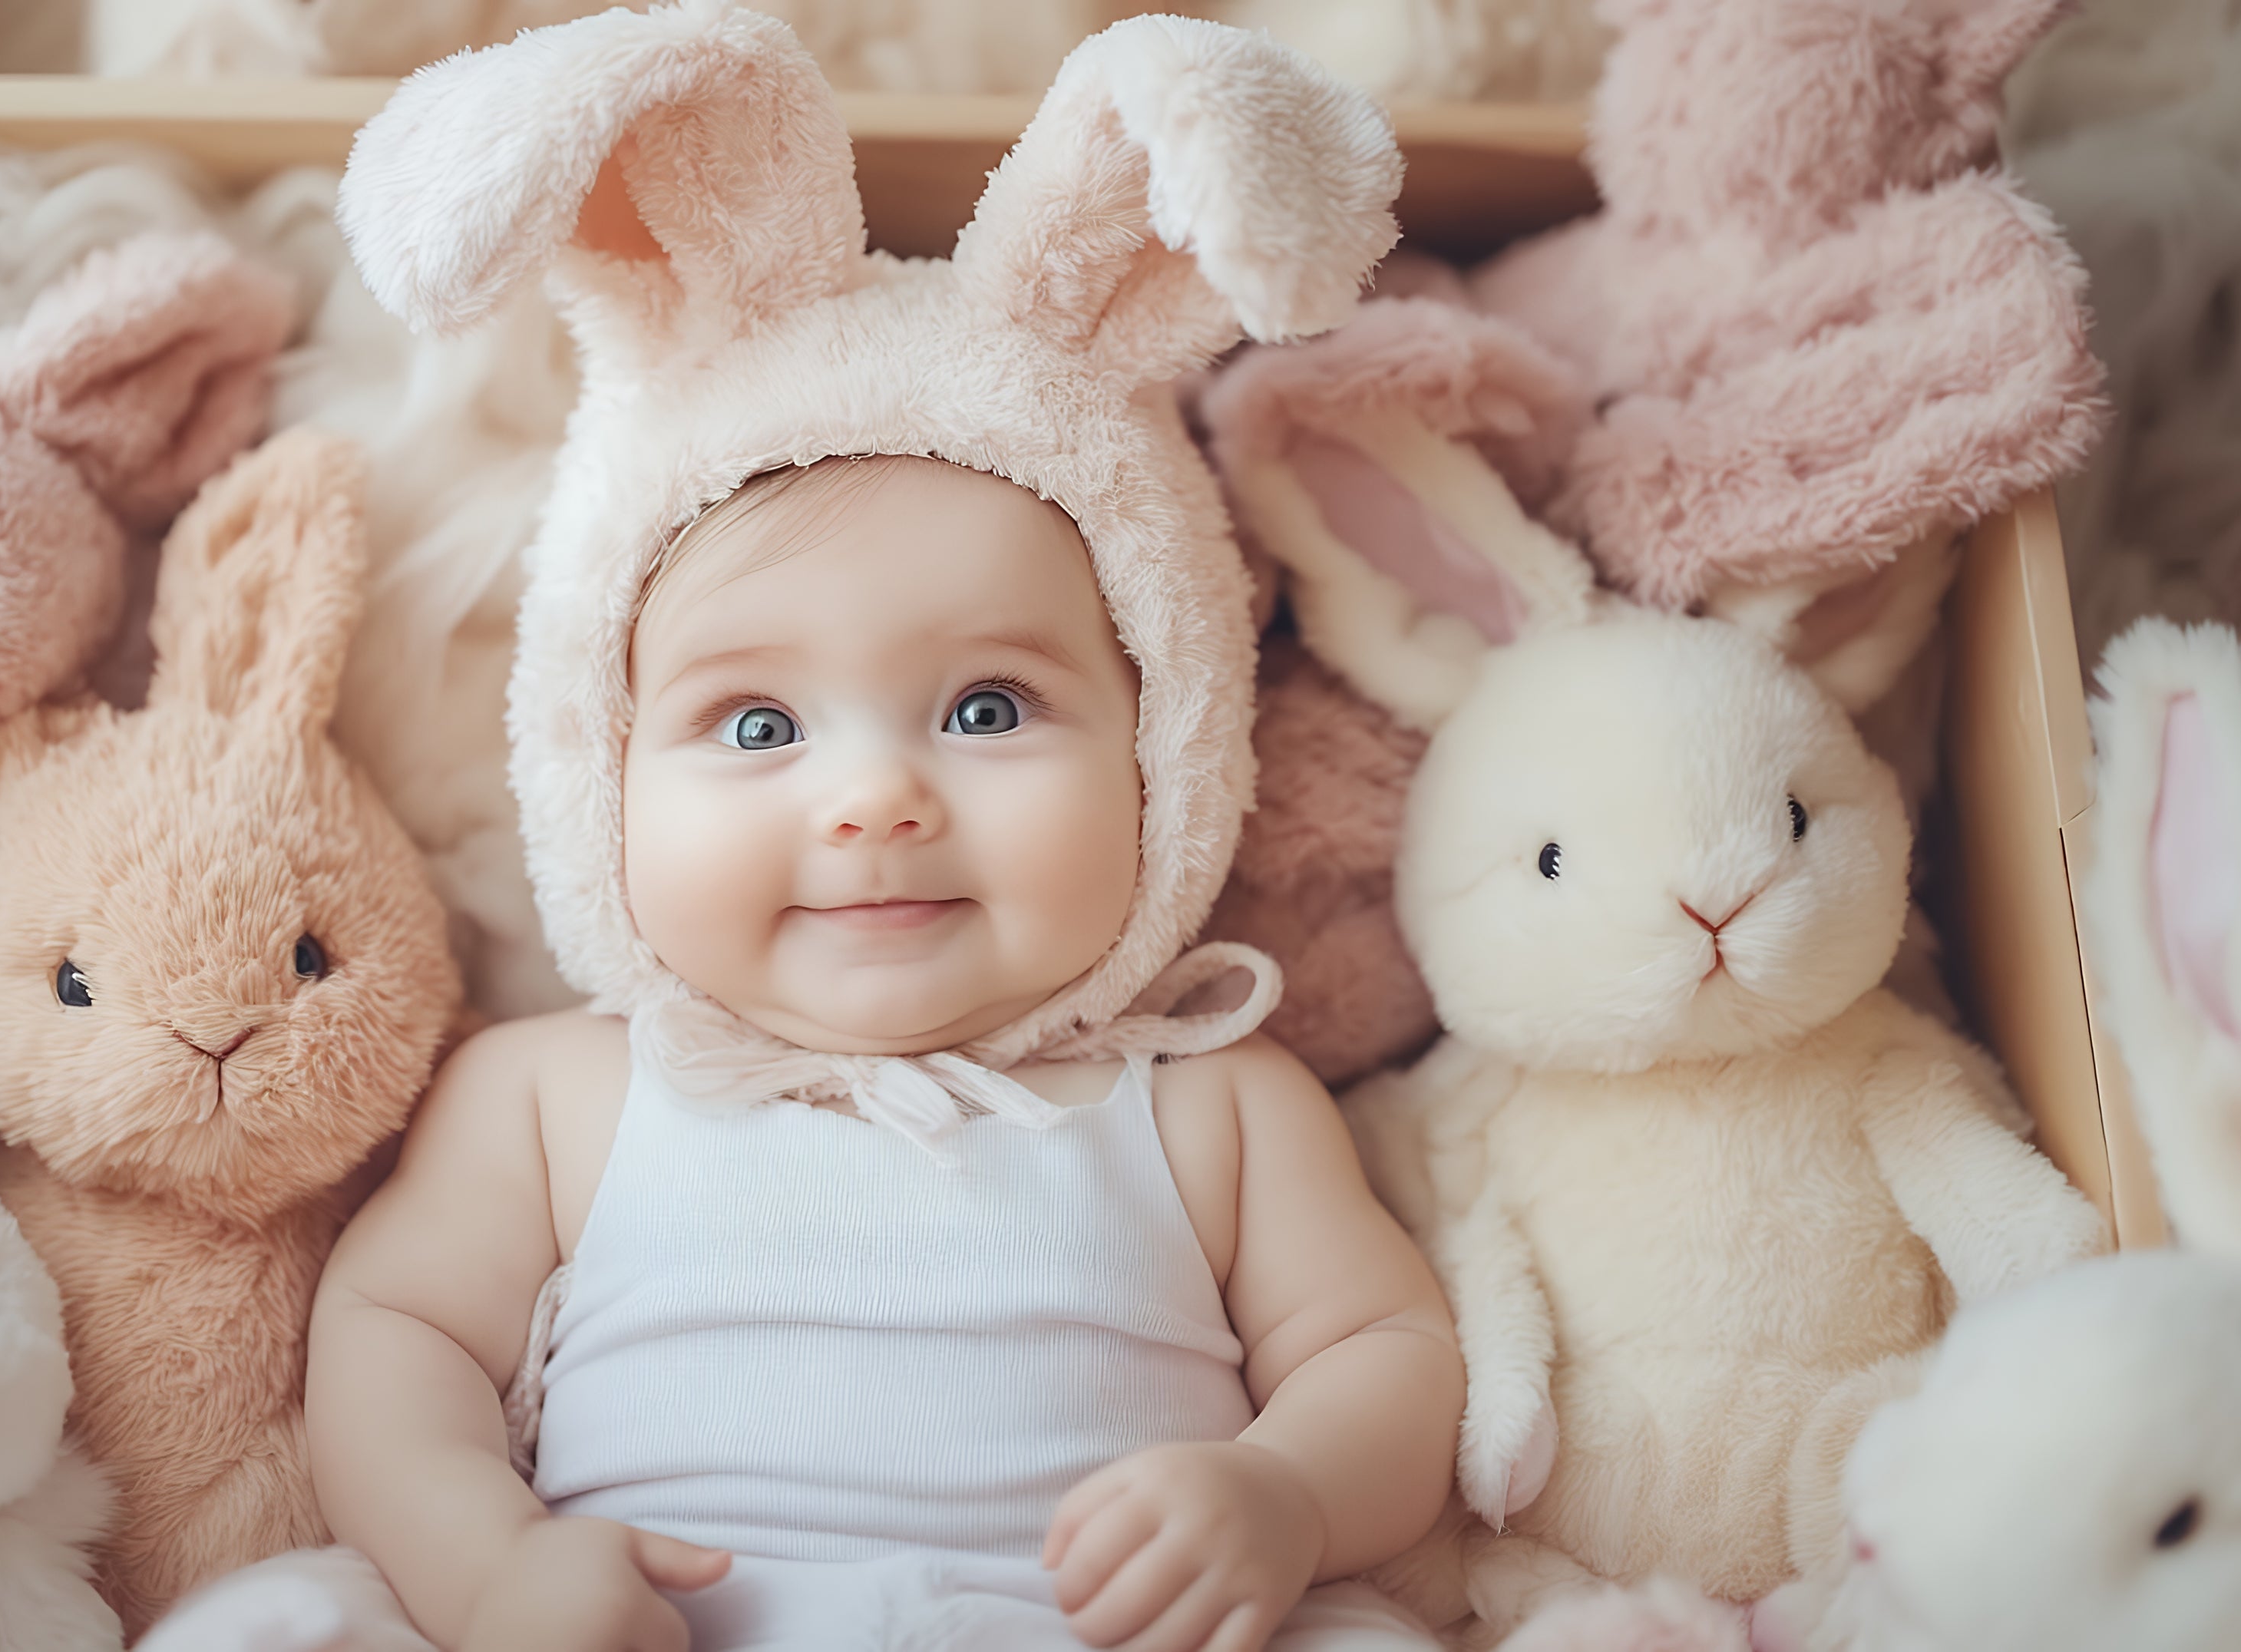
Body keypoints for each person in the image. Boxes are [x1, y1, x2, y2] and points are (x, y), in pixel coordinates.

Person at [310, 7, 1460, 1648]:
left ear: (1169, 743)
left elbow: (1386, 1356)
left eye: (989, 707)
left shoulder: (1212, 1100)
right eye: (759, 725)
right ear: (598, 770)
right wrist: (491, 1562)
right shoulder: (557, 1091)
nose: (877, 798)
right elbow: (391, 1333)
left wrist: (1283, 1491)